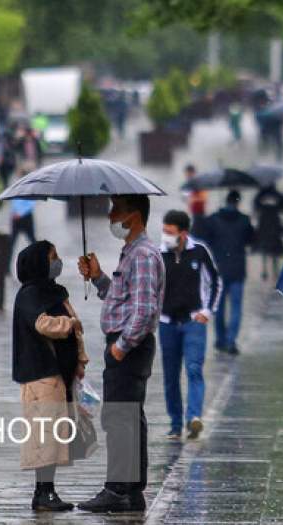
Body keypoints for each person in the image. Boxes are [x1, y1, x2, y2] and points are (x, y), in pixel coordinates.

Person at [77, 194, 165, 514]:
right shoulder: (132, 253)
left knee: (120, 417)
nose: (112, 215)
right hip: (128, 346)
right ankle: (131, 491)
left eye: (117, 209)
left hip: (129, 347)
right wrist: (99, 277)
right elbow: (122, 299)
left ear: (135, 215)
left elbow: (143, 310)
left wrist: (121, 346)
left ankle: (117, 490)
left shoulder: (142, 255)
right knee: (128, 416)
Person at [12, 241, 88, 511]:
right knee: (44, 434)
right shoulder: (30, 295)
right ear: (38, 263)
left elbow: (74, 323)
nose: (57, 261)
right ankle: (43, 493)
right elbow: (44, 325)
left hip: (60, 374)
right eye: (52, 257)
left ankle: (48, 491)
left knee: (54, 435)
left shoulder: (55, 292)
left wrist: (80, 359)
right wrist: (69, 325)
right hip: (40, 374)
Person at [159, 210, 222, 440]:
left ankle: (193, 417)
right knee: (170, 375)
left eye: (170, 232)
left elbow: (216, 281)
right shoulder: (159, 254)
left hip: (193, 322)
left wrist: (207, 311)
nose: (165, 236)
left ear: (183, 233)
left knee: (194, 368)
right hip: (166, 323)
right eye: (164, 231)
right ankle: (175, 423)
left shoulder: (199, 251)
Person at [201, 190, 255, 355]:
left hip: (218, 270)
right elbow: (251, 240)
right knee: (236, 307)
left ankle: (220, 339)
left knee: (218, 306)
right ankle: (231, 341)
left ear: (225, 201)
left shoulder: (213, 220)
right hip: (238, 269)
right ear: (238, 202)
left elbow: (206, 241)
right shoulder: (245, 220)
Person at [253, 182, 283, 280]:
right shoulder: (276, 194)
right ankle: (275, 271)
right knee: (274, 248)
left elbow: (256, 205)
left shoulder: (261, 194)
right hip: (274, 223)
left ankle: (265, 270)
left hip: (264, 223)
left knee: (265, 247)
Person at [9, 199, 36, 264]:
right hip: (15, 218)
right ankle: (7, 267)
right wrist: (14, 212)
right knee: (11, 243)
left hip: (26, 217)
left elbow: (31, 203)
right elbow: (14, 202)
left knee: (32, 240)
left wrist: (20, 213)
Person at [182, 164, 207, 234]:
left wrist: (193, 199)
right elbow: (186, 199)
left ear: (192, 173)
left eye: (188, 173)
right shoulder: (189, 185)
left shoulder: (199, 184)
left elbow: (204, 198)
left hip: (199, 215)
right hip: (192, 214)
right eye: (186, 174)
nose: (186, 176)